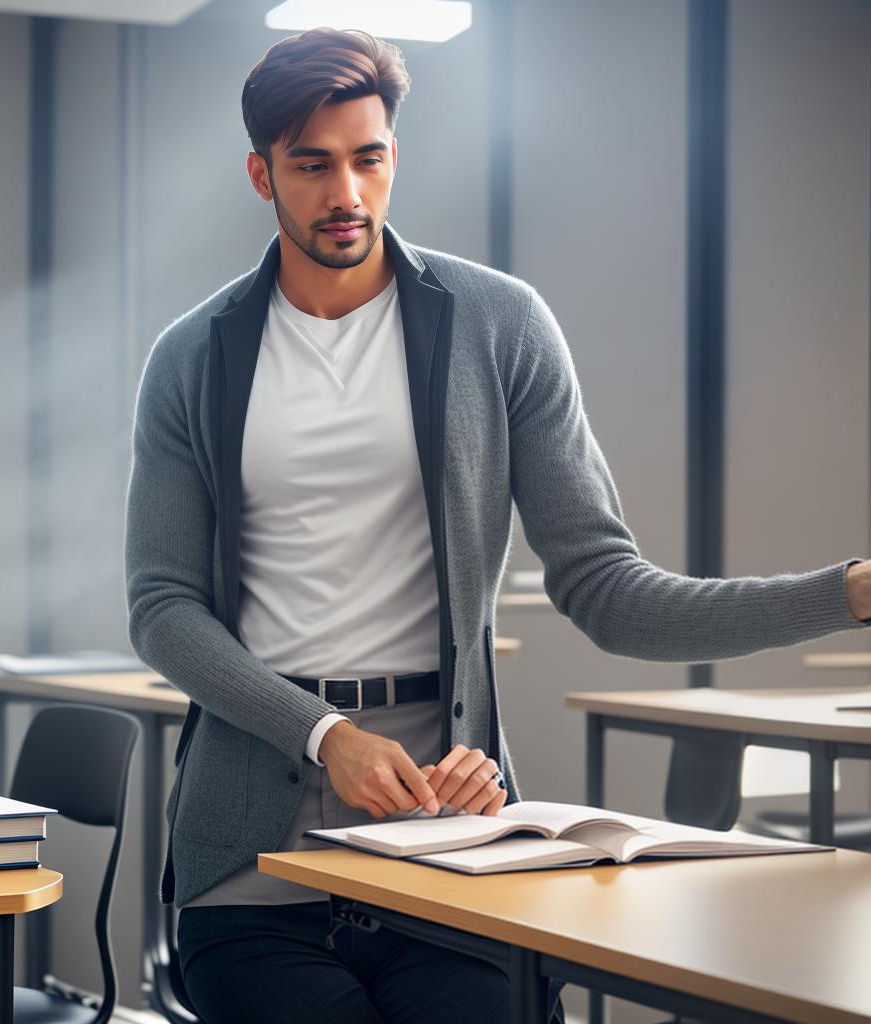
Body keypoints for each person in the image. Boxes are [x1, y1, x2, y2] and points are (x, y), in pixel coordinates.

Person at [124, 26, 871, 1024]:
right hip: (251, 860)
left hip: (454, 833)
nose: (344, 192)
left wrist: (847, 594)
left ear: (393, 156)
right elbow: (162, 606)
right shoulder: (194, 357)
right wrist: (323, 733)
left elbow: (609, 593)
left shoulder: (499, 325)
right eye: (311, 165)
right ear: (261, 174)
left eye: (367, 157)